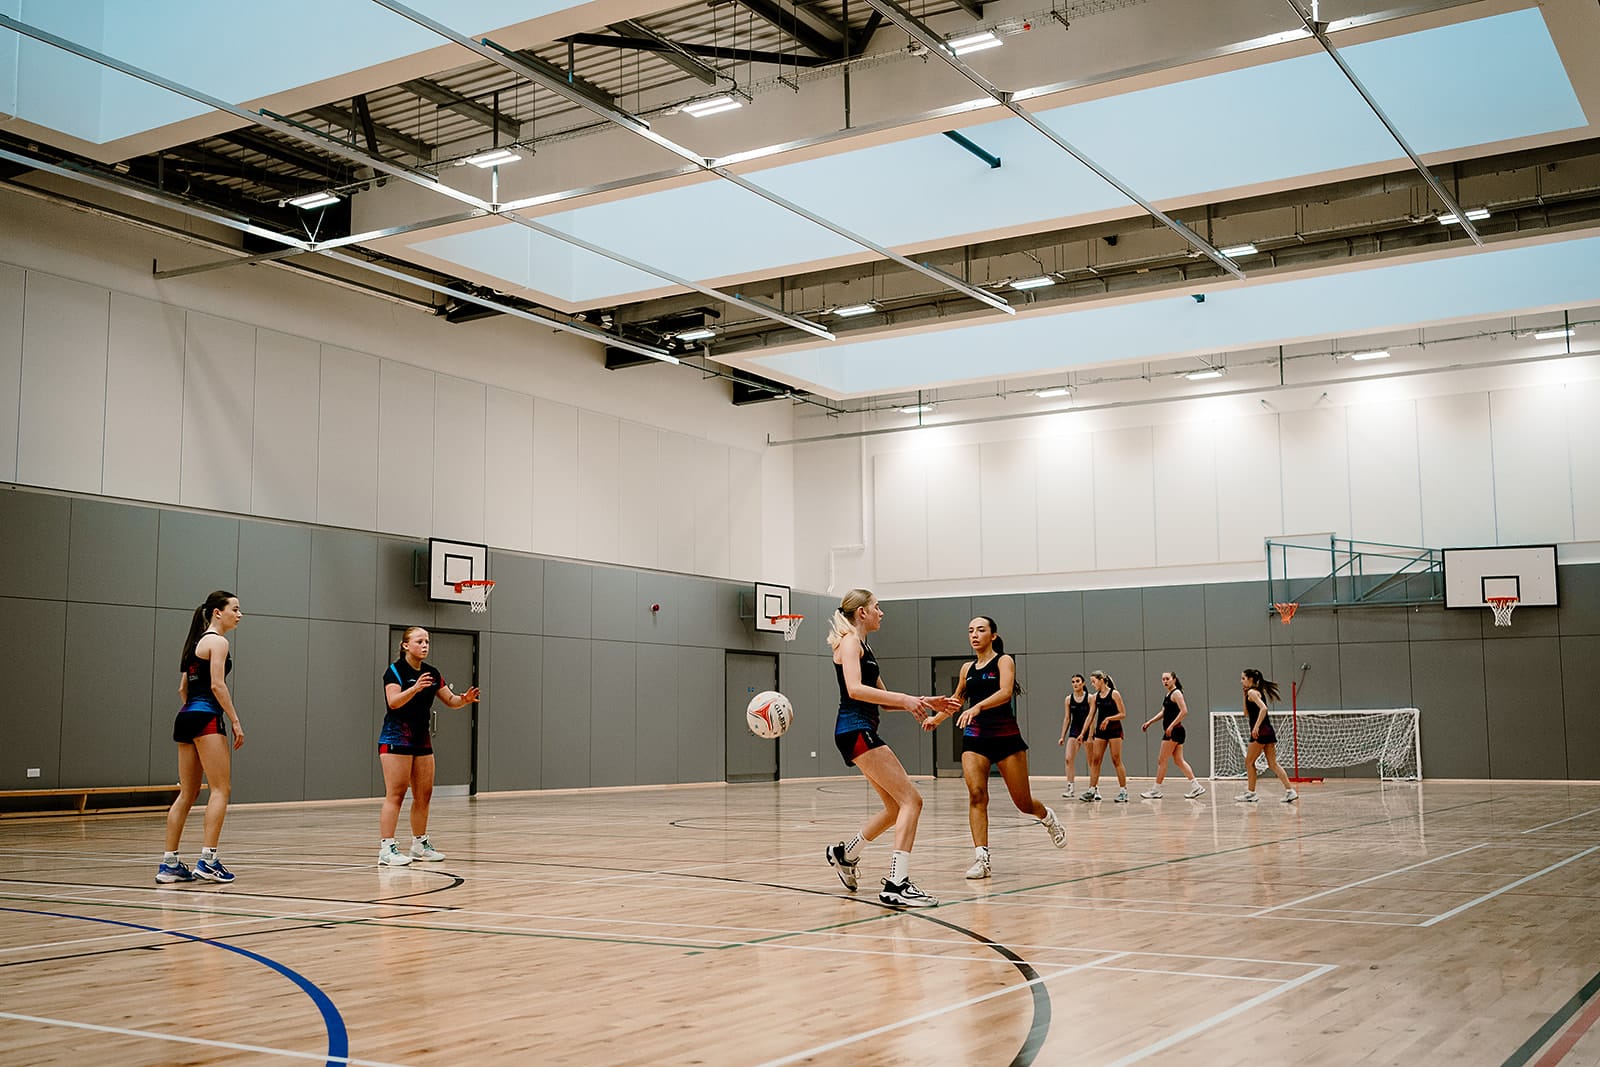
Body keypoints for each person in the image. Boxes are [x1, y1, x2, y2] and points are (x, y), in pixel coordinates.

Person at [823, 589, 959, 907]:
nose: (881, 613)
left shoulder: (864, 647)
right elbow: (855, 690)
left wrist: (926, 701)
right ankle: (897, 884)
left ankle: (846, 853)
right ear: (862, 613)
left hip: (859, 731)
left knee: (896, 808)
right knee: (913, 800)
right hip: (855, 730)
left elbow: (885, 700)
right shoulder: (850, 642)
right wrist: (906, 700)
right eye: (877, 607)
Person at [923, 617, 1065, 880]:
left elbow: (1005, 692)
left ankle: (1047, 817)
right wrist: (937, 718)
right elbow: (957, 700)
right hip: (975, 738)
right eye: (970, 631)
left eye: (980, 630)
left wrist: (977, 707)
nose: (974, 635)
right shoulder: (967, 668)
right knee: (977, 795)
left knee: (1023, 803)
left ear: (993, 636)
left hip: (1005, 737)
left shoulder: (1003, 661)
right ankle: (982, 859)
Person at [158, 590, 245, 885]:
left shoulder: (195, 643)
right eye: (235, 608)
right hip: (206, 717)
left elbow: (183, 688)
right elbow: (218, 686)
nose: (239, 614)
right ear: (217, 612)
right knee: (221, 789)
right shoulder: (218, 642)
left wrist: (195, 707)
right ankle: (208, 861)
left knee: (188, 792)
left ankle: (169, 864)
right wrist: (234, 721)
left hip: (185, 717)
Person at [378, 627, 481, 866]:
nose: (425, 645)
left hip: (421, 740)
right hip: (396, 738)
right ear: (405, 645)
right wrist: (414, 689)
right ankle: (386, 848)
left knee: (424, 795)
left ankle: (419, 844)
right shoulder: (395, 671)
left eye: (427, 641)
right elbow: (393, 702)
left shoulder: (432, 673)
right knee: (396, 794)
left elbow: (451, 700)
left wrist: (463, 700)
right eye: (419, 641)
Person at [1140, 671, 1205, 799]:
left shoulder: (1176, 693)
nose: (1165, 681)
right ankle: (1196, 786)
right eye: (1163, 679)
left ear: (1174, 679)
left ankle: (1156, 790)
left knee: (1162, 760)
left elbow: (1184, 711)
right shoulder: (1168, 694)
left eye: (1167, 679)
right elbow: (1164, 712)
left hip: (1174, 731)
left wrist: (1171, 726)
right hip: (1176, 731)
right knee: (1179, 760)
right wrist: (1150, 722)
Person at [1239, 668, 1298, 804]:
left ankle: (1251, 793)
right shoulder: (1252, 693)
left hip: (1261, 732)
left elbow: (1264, 709)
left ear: (1250, 679)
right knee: (1273, 764)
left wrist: (1256, 727)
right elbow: (1246, 713)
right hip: (1268, 731)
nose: (1241, 681)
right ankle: (1290, 791)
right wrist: (1244, 696)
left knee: (1249, 762)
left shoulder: (1253, 692)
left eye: (1243, 678)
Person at [1078, 670, 1129, 803]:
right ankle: (1092, 790)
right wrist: (1082, 733)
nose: (1092, 684)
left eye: (1094, 681)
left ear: (1101, 680)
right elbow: (1090, 716)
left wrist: (1108, 719)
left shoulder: (1114, 694)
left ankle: (1123, 791)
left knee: (1116, 759)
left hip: (1114, 730)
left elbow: (1123, 714)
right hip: (1101, 731)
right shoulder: (1095, 697)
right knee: (1095, 760)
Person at [1058, 674, 1091, 798]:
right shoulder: (1068, 699)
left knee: (1091, 761)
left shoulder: (1089, 698)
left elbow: (1092, 717)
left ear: (1083, 683)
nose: (1075, 684)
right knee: (1068, 758)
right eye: (1073, 682)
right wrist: (1062, 736)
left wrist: (1090, 734)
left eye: (1078, 681)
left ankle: (1094, 788)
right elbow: (1067, 718)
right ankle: (1070, 787)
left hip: (1087, 730)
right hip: (1074, 730)